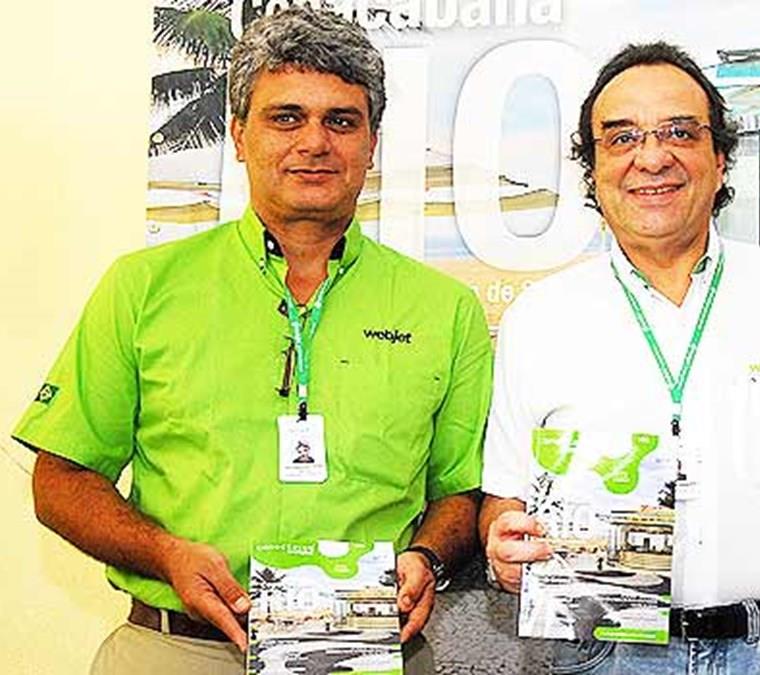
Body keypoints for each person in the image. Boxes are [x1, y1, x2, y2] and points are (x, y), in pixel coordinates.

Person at [14, 7, 491, 675]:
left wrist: (427, 557)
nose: (315, 142)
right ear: (238, 134)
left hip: (367, 650)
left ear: (373, 142)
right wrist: (167, 554)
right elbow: (61, 479)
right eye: (286, 117)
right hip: (176, 650)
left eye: (341, 121)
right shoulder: (142, 287)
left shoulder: (446, 309)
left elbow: (461, 494)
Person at [479, 42, 760, 673]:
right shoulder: (538, 318)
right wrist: (505, 546)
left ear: (720, 158)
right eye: (622, 138)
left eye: (679, 132)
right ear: (592, 168)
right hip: (602, 653)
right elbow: (505, 495)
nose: (652, 157)